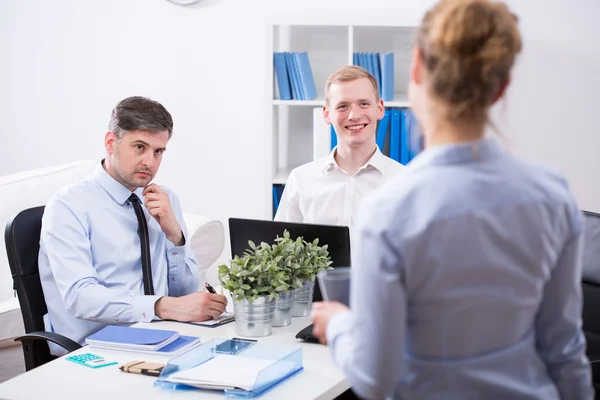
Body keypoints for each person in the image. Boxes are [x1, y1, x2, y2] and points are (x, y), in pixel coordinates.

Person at [311, 1, 594, 399]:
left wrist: (339, 324)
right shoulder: (553, 195)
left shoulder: (390, 209)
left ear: (417, 69)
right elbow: (565, 351)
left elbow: (377, 378)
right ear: (501, 86)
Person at [39, 96, 227, 350]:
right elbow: (80, 297)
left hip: (163, 337)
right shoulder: (68, 206)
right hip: (96, 350)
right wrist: (163, 306)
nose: (150, 162)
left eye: (158, 151)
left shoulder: (164, 198)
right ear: (110, 143)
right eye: (139, 147)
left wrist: (175, 237)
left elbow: (184, 291)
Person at [274, 66, 405, 229]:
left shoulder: (405, 182)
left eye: (363, 104)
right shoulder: (300, 180)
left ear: (379, 109)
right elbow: (279, 248)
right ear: (327, 114)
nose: (354, 116)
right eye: (343, 106)